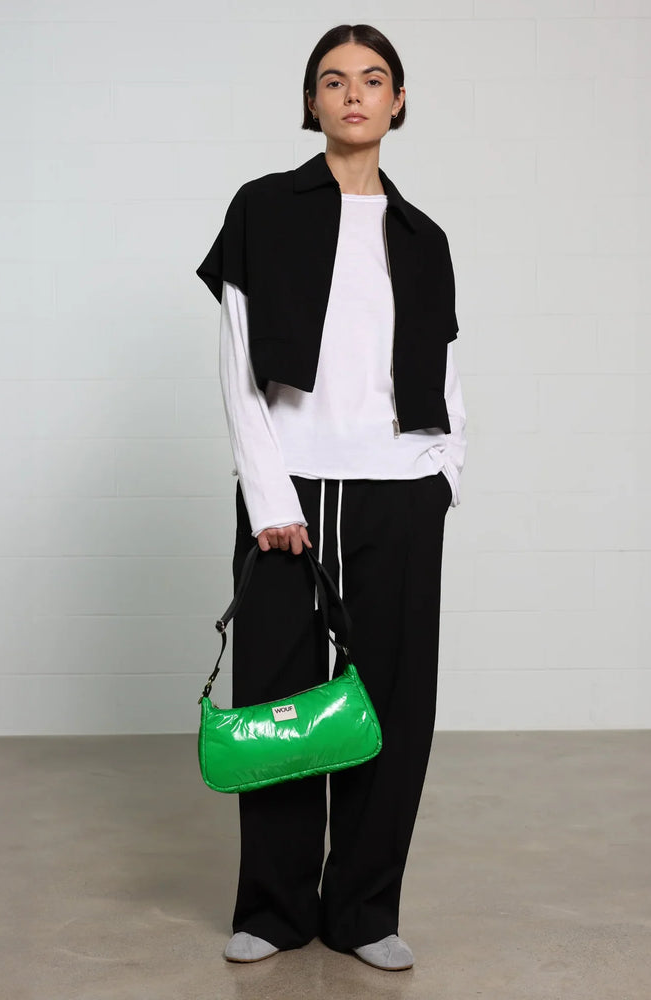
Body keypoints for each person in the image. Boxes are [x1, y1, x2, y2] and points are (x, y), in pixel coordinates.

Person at [195, 23, 467, 972]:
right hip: (291, 492)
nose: (355, 94)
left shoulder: (424, 237)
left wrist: (445, 475)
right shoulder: (263, 209)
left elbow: (445, 370)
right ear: (312, 101)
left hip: (399, 491)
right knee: (278, 698)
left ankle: (363, 909)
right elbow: (239, 362)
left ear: (398, 101)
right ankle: (274, 909)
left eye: (374, 79)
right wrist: (268, 492)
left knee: (392, 704)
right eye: (335, 80)